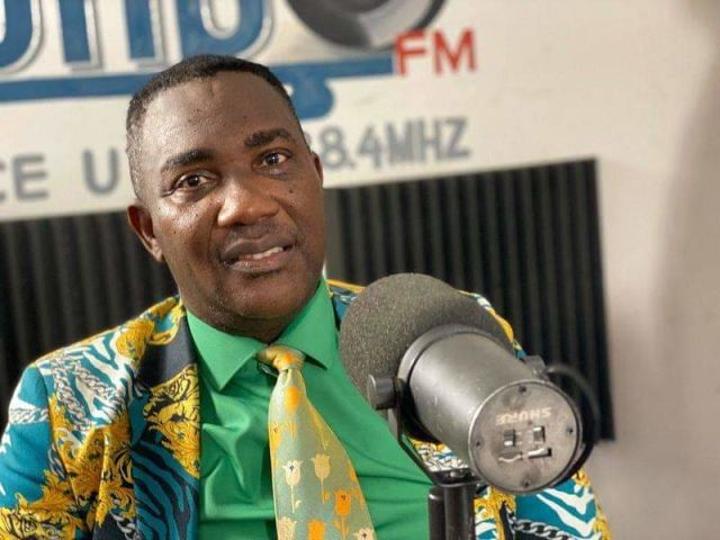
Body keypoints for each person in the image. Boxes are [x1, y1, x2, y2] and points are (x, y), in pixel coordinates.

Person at [0, 55, 610, 539]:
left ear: (315, 175)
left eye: (272, 159)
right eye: (194, 180)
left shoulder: (445, 335)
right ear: (148, 230)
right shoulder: (67, 403)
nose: (248, 205)